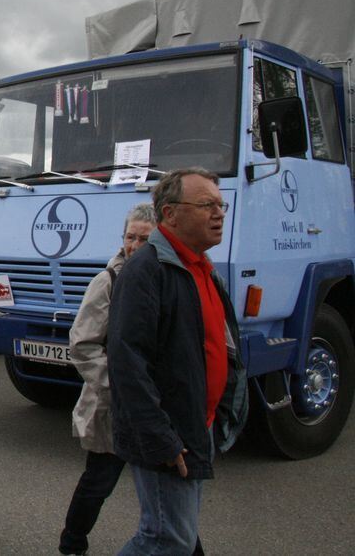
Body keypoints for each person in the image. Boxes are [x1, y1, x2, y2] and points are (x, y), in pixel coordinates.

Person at [107, 168, 248, 555]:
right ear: (170, 214)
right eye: (207, 205)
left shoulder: (201, 269)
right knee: (167, 539)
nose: (219, 213)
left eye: (221, 204)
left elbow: (222, 349)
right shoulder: (146, 271)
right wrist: (162, 440)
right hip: (169, 438)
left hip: (194, 428)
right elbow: (126, 364)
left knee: (176, 537)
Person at [58, 203, 156, 556]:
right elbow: (82, 345)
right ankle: (72, 544)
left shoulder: (167, 279)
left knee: (167, 494)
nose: (135, 245)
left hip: (156, 408)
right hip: (113, 406)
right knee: (98, 482)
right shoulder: (109, 281)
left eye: (144, 239)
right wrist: (120, 387)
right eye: (131, 237)